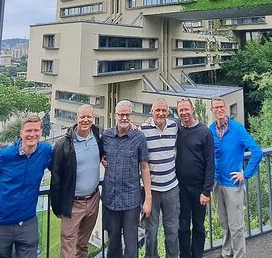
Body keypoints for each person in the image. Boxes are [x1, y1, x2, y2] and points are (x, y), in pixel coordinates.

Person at [0, 114, 52, 258]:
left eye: (36, 130)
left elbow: (59, 169)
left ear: (41, 132)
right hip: (2, 223)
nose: (32, 134)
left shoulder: (45, 152)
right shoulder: (6, 155)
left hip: (28, 222)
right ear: (21, 133)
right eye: (28, 131)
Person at [209, 98, 262, 258]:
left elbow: (257, 152)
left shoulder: (237, 129)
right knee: (224, 222)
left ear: (224, 108)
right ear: (212, 110)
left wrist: (245, 174)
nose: (218, 110)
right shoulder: (211, 129)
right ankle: (227, 253)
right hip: (217, 182)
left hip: (233, 184)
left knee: (236, 225)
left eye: (221, 107)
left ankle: (239, 255)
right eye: (215, 107)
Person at [50, 104, 104, 258]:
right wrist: (58, 208)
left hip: (93, 199)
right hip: (73, 203)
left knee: (83, 245)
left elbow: (105, 153)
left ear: (93, 119)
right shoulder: (64, 145)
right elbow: (56, 179)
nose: (86, 120)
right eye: (83, 117)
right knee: (68, 248)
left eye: (89, 117)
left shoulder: (97, 136)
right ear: (76, 119)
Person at [101, 100, 152, 258]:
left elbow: (144, 167)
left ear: (131, 115)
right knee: (113, 242)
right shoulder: (106, 136)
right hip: (111, 198)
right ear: (115, 115)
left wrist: (148, 198)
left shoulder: (139, 137)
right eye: (121, 114)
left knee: (131, 244)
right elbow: (100, 156)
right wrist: (103, 159)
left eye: (127, 114)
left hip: (131, 199)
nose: (124, 117)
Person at [140, 98, 180, 258]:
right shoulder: (142, 130)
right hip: (151, 191)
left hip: (171, 188)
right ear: (151, 112)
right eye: (157, 110)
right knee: (151, 233)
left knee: (172, 230)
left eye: (164, 110)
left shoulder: (174, 127)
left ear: (168, 112)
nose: (161, 113)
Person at [176, 98, 214, 258]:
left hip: (199, 188)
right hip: (181, 188)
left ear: (192, 110)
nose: (184, 113)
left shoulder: (204, 132)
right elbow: (158, 124)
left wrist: (206, 190)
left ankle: (197, 255)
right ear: (177, 112)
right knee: (183, 226)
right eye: (181, 110)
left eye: (186, 109)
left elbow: (210, 162)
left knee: (198, 225)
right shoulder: (176, 128)